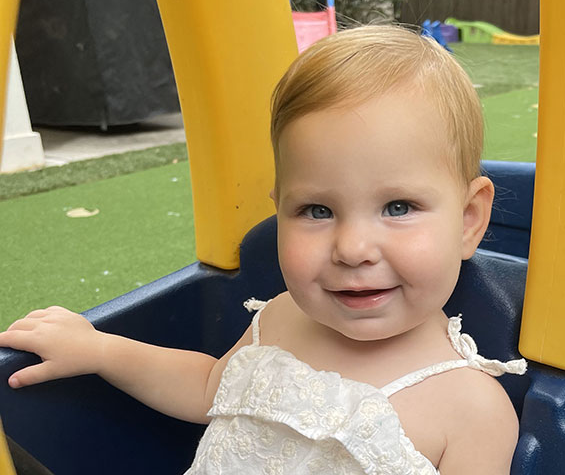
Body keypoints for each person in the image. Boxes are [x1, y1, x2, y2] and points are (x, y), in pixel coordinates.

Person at [0, 25, 527, 474]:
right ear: (280, 211)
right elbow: (210, 388)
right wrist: (102, 350)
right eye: (316, 211)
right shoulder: (282, 317)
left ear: (468, 220)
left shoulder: (473, 410)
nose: (352, 248)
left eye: (398, 207)